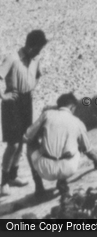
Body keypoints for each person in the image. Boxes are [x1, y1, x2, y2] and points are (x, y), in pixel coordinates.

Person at [23, 93, 97, 199]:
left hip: (45, 170)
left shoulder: (47, 114)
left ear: (58, 105)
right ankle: (62, 181)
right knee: (76, 142)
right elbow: (88, 149)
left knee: (31, 144)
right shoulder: (77, 122)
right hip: (68, 168)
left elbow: (26, 137)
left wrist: (42, 136)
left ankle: (39, 186)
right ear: (72, 107)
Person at [0, 29, 48, 196]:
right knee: (12, 144)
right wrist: (4, 96)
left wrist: (32, 85)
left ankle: (13, 176)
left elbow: (38, 74)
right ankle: (3, 181)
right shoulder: (12, 58)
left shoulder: (35, 58)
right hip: (12, 102)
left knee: (23, 141)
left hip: (27, 101)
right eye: (38, 48)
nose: (39, 51)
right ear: (31, 46)